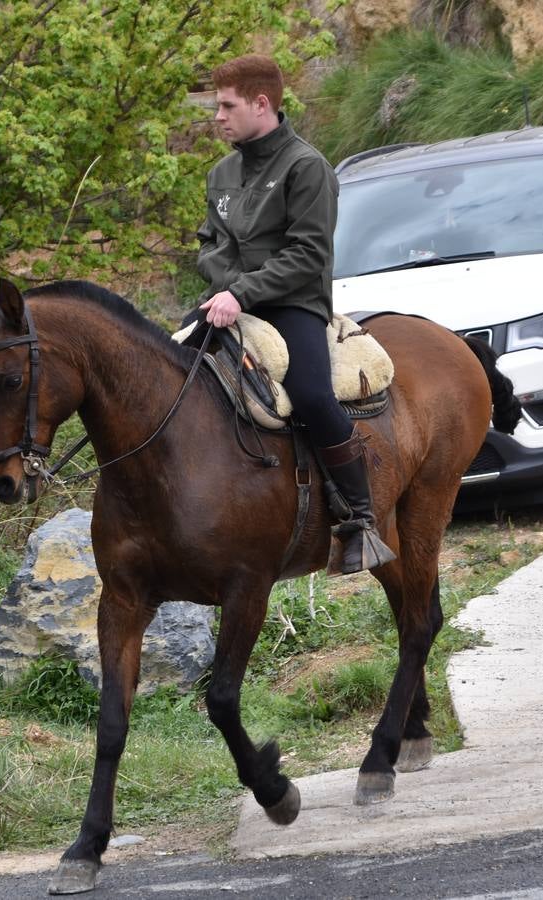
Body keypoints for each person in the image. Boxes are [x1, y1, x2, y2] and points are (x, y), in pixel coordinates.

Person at [195, 54, 395, 573]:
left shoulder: (307, 167)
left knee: (309, 393)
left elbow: (307, 254)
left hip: (293, 307)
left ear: (262, 104)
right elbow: (209, 245)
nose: (217, 116)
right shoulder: (221, 173)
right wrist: (226, 288)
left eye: (226, 105)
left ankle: (360, 519)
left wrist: (242, 291)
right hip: (227, 307)